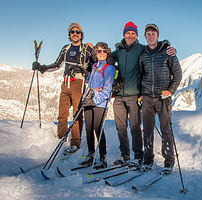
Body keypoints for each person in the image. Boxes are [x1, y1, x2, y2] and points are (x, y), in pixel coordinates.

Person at [110, 21, 176, 166]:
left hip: (146, 96)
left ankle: (152, 158)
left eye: (133, 33)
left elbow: (175, 70)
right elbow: (107, 57)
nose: (130, 35)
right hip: (131, 96)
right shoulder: (122, 51)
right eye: (128, 33)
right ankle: (134, 157)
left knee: (144, 128)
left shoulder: (145, 49)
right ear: (124, 35)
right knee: (131, 129)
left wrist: (170, 46)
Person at [32, 22, 95, 153]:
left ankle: (75, 143)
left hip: (79, 83)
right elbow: (57, 64)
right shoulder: (66, 48)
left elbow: (94, 65)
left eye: (78, 32)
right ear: (69, 34)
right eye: (72, 32)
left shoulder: (86, 49)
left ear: (81, 34)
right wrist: (42, 68)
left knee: (77, 114)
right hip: (65, 83)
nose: (75, 34)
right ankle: (60, 139)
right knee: (62, 114)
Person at [138, 24, 182, 173]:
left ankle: (169, 161)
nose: (151, 36)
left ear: (157, 35)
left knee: (166, 130)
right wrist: (140, 94)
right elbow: (140, 75)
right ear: (145, 36)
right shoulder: (142, 55)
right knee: (147, 131)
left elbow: (178, 74)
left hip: (163, 98)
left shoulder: (167, 52)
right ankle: (147, 160)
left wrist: (170, 91)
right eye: (148, 34)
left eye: (153, 33)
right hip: (147, 99)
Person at [79, 42, 116, 168]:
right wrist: (85, 99)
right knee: (88, 128)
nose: (102, 53)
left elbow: (107, 89)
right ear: (95, 53)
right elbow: (89, 85)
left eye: (104, 51)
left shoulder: (109, 68)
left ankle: (102, 157)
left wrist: (95, 100)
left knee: (97, 128)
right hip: (90, 99)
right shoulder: (94, 66)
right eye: (99, 51)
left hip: (100, 103)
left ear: (107, 53)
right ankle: (91, 155)